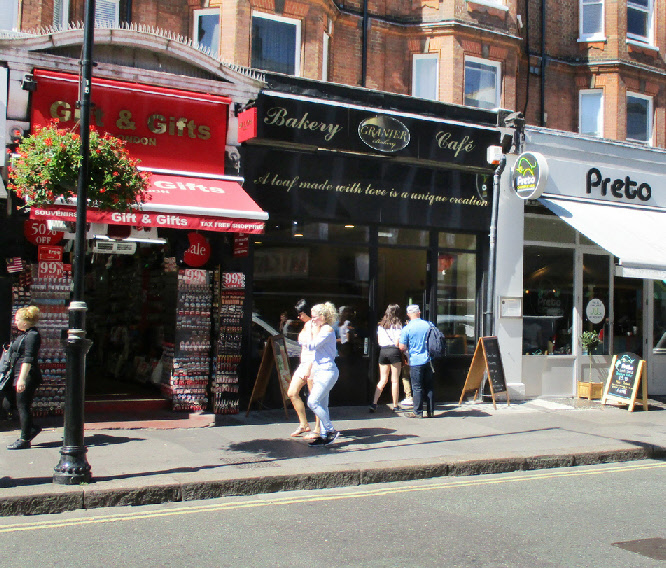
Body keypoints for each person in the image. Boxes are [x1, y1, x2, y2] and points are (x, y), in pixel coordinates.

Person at [4, 306, 43, 450]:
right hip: (16, 373)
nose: (16, 322)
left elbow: (29, 358)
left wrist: (22, 378)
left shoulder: (32, 335)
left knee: (23, 405)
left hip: (26, 374)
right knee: (9, 403)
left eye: (18, 320)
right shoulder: (25, 335)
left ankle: (24, 438)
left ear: (26, 322)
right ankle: (30, 428)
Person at [305, 302, 340, 446]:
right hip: (321, 370)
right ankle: (325, 435)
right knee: (323, 404)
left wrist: (310, 331)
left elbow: (312, 345)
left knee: (312, 401)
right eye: (311, 317)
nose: (312, 320)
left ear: (323, 317)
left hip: (327, 370)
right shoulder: (322, 328)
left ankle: (331, 430)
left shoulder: (327, 329)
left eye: (314, 317)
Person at [287, 299, 320, 438]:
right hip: (304, 364)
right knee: (292, 392)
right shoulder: (306, 326)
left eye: (300, 314)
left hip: (312, 365)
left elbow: (316, 349)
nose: (298, 317)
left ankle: (318, 429)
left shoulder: (315, 326)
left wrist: (309, 368)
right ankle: (304, 424)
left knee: (314, 399)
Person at [399, 304, 434, 418]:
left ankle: (418, 412)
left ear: (408, 314)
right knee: (429, 386)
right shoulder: (428, 325)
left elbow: (401, 347)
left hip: (415, 360)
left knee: (417, 387)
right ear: (419, 313)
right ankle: (430, 411)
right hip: (429, 360)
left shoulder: (407, 328)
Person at [370, 304, 403, 412]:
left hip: (383, 351)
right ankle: (395, 405)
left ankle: (374, 403)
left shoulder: (381, 326)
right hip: (394, 351)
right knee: (394, 380)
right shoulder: (398, 326)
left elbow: (379, 341)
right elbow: (398, 342)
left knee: (382, 379)